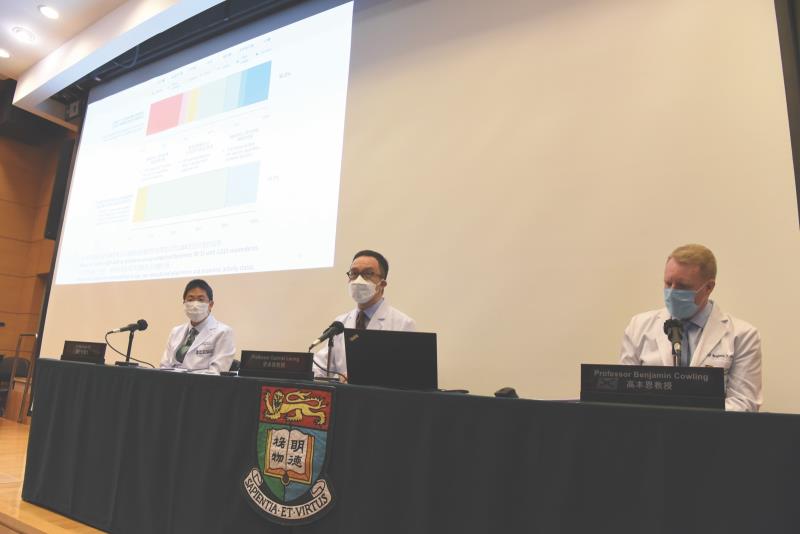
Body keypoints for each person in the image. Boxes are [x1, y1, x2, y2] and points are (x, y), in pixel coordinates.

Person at [619, 244, 762, 412]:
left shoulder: (743, 336)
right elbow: (624, 395)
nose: (672, 292)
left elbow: (744, 403)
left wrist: (686, 417)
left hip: (713, 434)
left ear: (709, 287)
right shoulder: (638, 327)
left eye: (682, 286)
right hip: (652, 432)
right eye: (668, 283)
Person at [314, 250, 416, 379]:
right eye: (354, 273)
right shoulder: (340, 323)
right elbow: (320, 366)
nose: (358, 280)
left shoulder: (403, 324)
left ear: (382, 283)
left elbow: (407, 375)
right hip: (343, 397)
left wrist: (361, 378)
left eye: (368, 273)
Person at [160, 279, 236, 375]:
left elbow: (217, 372)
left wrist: (184, 375)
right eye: (190, 299)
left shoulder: (223, 332)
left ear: (210, 304)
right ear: (184, 303)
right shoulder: (176, 331)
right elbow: (164, 366)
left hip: (203, 388)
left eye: (200, 299)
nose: (195, 305)